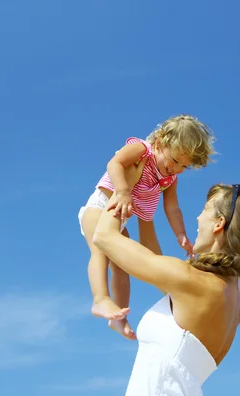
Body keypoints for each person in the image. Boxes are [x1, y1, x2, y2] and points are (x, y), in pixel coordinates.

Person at [92, 183, 240, 395]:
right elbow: (156, 261)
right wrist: (146, 205)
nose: (198, 218)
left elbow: (103, 236)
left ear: (219, 223)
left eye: (205, 209)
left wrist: (127, 183)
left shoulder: (193, 282)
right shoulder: (229, 297)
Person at [77, 115, 217, 339]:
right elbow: (114, 163)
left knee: (122, 266)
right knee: (100, 251)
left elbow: (172, 209)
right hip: (99, 206)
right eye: (174, 160)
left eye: (184, 166)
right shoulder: (142, 150)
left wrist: (180, 234)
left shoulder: (169, 179)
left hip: (119, 218)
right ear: (161, 142)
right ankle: (100, 298)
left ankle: (119, 318)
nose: (177, 168)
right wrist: (122, 190)